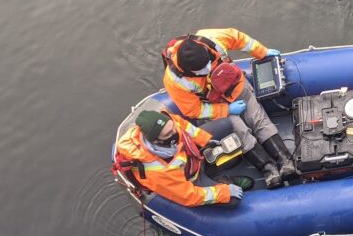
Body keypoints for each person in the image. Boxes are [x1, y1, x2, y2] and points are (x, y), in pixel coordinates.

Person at [161, 28, 296, 189]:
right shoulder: (174, 81)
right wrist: (226, 110)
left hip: (237, 87)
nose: (208, 68)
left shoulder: (211, 39)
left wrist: (262, 52)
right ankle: (268, 169)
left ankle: (285, 161)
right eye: (202, 69)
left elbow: (240, 39)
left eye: (209, 62)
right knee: (240, 131)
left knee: (258, 119)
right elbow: (194, 110)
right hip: (215, 105)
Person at [114, 110, 254, 207]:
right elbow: (187, 196)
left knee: (224, 124)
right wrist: (224, 193)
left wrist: (205, 141)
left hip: (191, 156)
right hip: (190, 178)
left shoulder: (167, 122)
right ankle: (221, 180)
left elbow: (187, 128)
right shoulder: (157, 170)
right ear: (156, 141)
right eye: (168, 134)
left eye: (173, 128)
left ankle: (208, 165)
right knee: (233, 200)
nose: (175, 132)